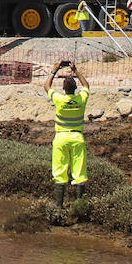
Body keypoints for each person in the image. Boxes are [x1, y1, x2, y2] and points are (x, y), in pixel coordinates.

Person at [43, 60, 90, 206]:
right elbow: (87, 86)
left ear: (63, 88)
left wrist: (54, 70)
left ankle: (58, 207)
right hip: (77, 137)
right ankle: (79, 206)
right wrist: (75, 70)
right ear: (76, 88)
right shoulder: (81, 99)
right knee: (79, 173)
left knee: (59, 172)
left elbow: (46, 86)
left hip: (61, 138)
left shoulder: (60, 100)